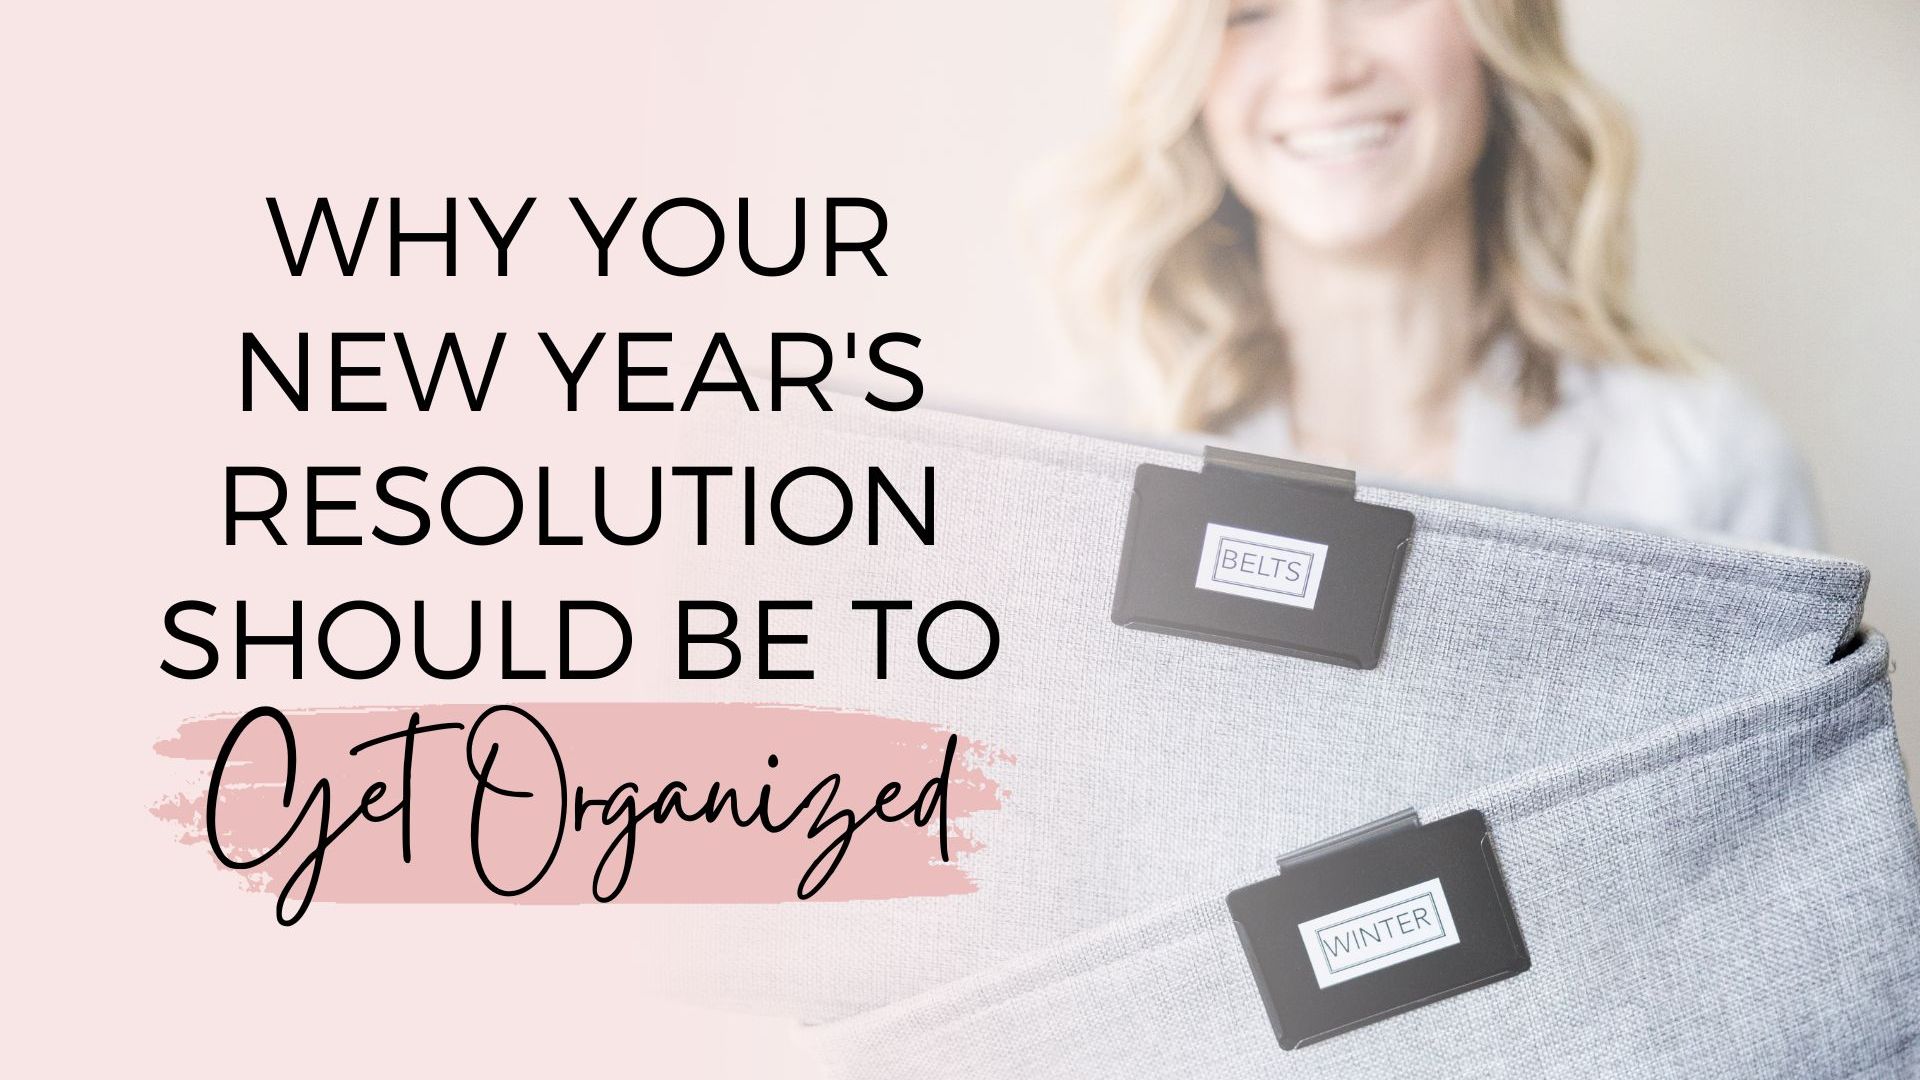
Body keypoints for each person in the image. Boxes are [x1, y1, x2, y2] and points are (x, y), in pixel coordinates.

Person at [1039, 0, 1820, 548]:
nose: (1321, 71)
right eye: (1247, 11)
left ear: (1499, 24)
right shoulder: (1087, 473)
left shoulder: (1705, 464)